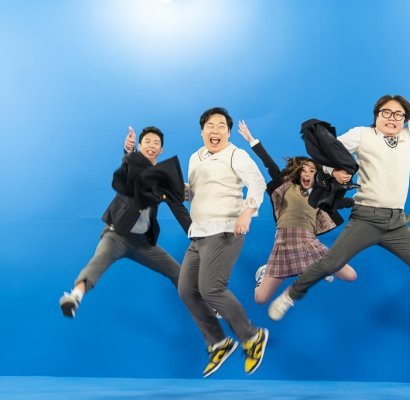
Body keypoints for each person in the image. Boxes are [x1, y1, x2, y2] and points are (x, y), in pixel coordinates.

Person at [268, 56, 410, 341]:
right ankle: (292, 294)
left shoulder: (409, 137)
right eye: (387, 112)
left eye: (399, 114)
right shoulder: (362, 135)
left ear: (405, 119)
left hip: (396, 223)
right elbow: (322, 158)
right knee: (331, 263)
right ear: (377, 115)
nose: (393, 118)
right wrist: (333, 171)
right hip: (366, 219)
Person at [59, 126, 191, 318]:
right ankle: (74, 297)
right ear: (140, 145)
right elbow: (129, 162)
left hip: (143, 243)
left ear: (161, 149)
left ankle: (208, 303)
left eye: (156, 143)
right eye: (147, 142)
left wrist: (196, 233)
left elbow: (179, 209)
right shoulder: (133, 163)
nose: (151, 146)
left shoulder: (164, 179)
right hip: (116, 235)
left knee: (177, 272)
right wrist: (128, 149)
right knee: (98, 261)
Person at [178, 107, 268, 378]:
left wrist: (247, 212)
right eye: (210, 125)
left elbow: (258, 183)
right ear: (202, 131)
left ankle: (252, 337)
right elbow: (195, 193)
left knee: (211, 288)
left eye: (221, 126)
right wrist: (178, 191)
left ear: (228, 133)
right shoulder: (195, 157)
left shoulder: (235, 154)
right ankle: (218, 342)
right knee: (187, 290)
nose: (215, 130)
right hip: (198, 232)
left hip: (226, 229)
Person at [237, 121, 357, 304]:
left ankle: (314, 272)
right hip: (284, 241)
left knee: (350, 275)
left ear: (317, 174)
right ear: (298, 173)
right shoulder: (286, 186)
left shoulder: (321, 193)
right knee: (260, 298)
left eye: (312, 170)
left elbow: (337, 202)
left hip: (308, 241)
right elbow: (269, 164)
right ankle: (270, 271)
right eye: (304, 170)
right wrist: (251, 140)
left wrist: (356, 200)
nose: (307, 173)